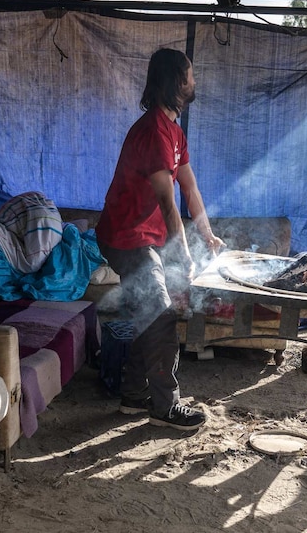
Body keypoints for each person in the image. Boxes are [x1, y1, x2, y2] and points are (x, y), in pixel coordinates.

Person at [96, 48, 225, 431]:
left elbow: (190, 187)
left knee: (148, 315)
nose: (195, 81)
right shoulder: (153, 131)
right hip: (125, 238)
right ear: (175, 82)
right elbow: (168, 204)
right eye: (190, 75)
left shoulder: (174, 131)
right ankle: (164, 408)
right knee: (163, 316)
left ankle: (135, 397)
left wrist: (208, 234)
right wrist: (185, 255)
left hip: (144, 239)